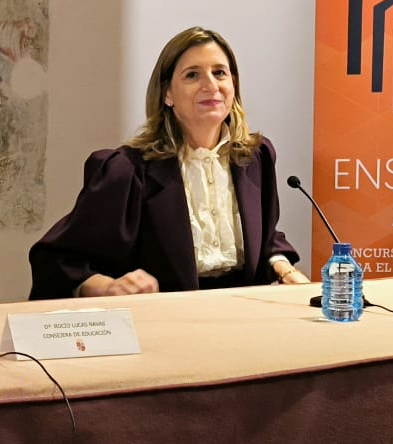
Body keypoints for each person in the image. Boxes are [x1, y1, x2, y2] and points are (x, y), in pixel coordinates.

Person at [29, 25, 310, 299]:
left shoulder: (256, 158)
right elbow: (57, 260)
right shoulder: (126, 171)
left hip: (245, 316)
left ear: (233, 85)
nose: (210, 85)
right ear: (168, 95)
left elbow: (266, 236)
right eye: (192, 75)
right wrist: (106, 287)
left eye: (219, 73)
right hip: (163, 320)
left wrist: (282, 266)